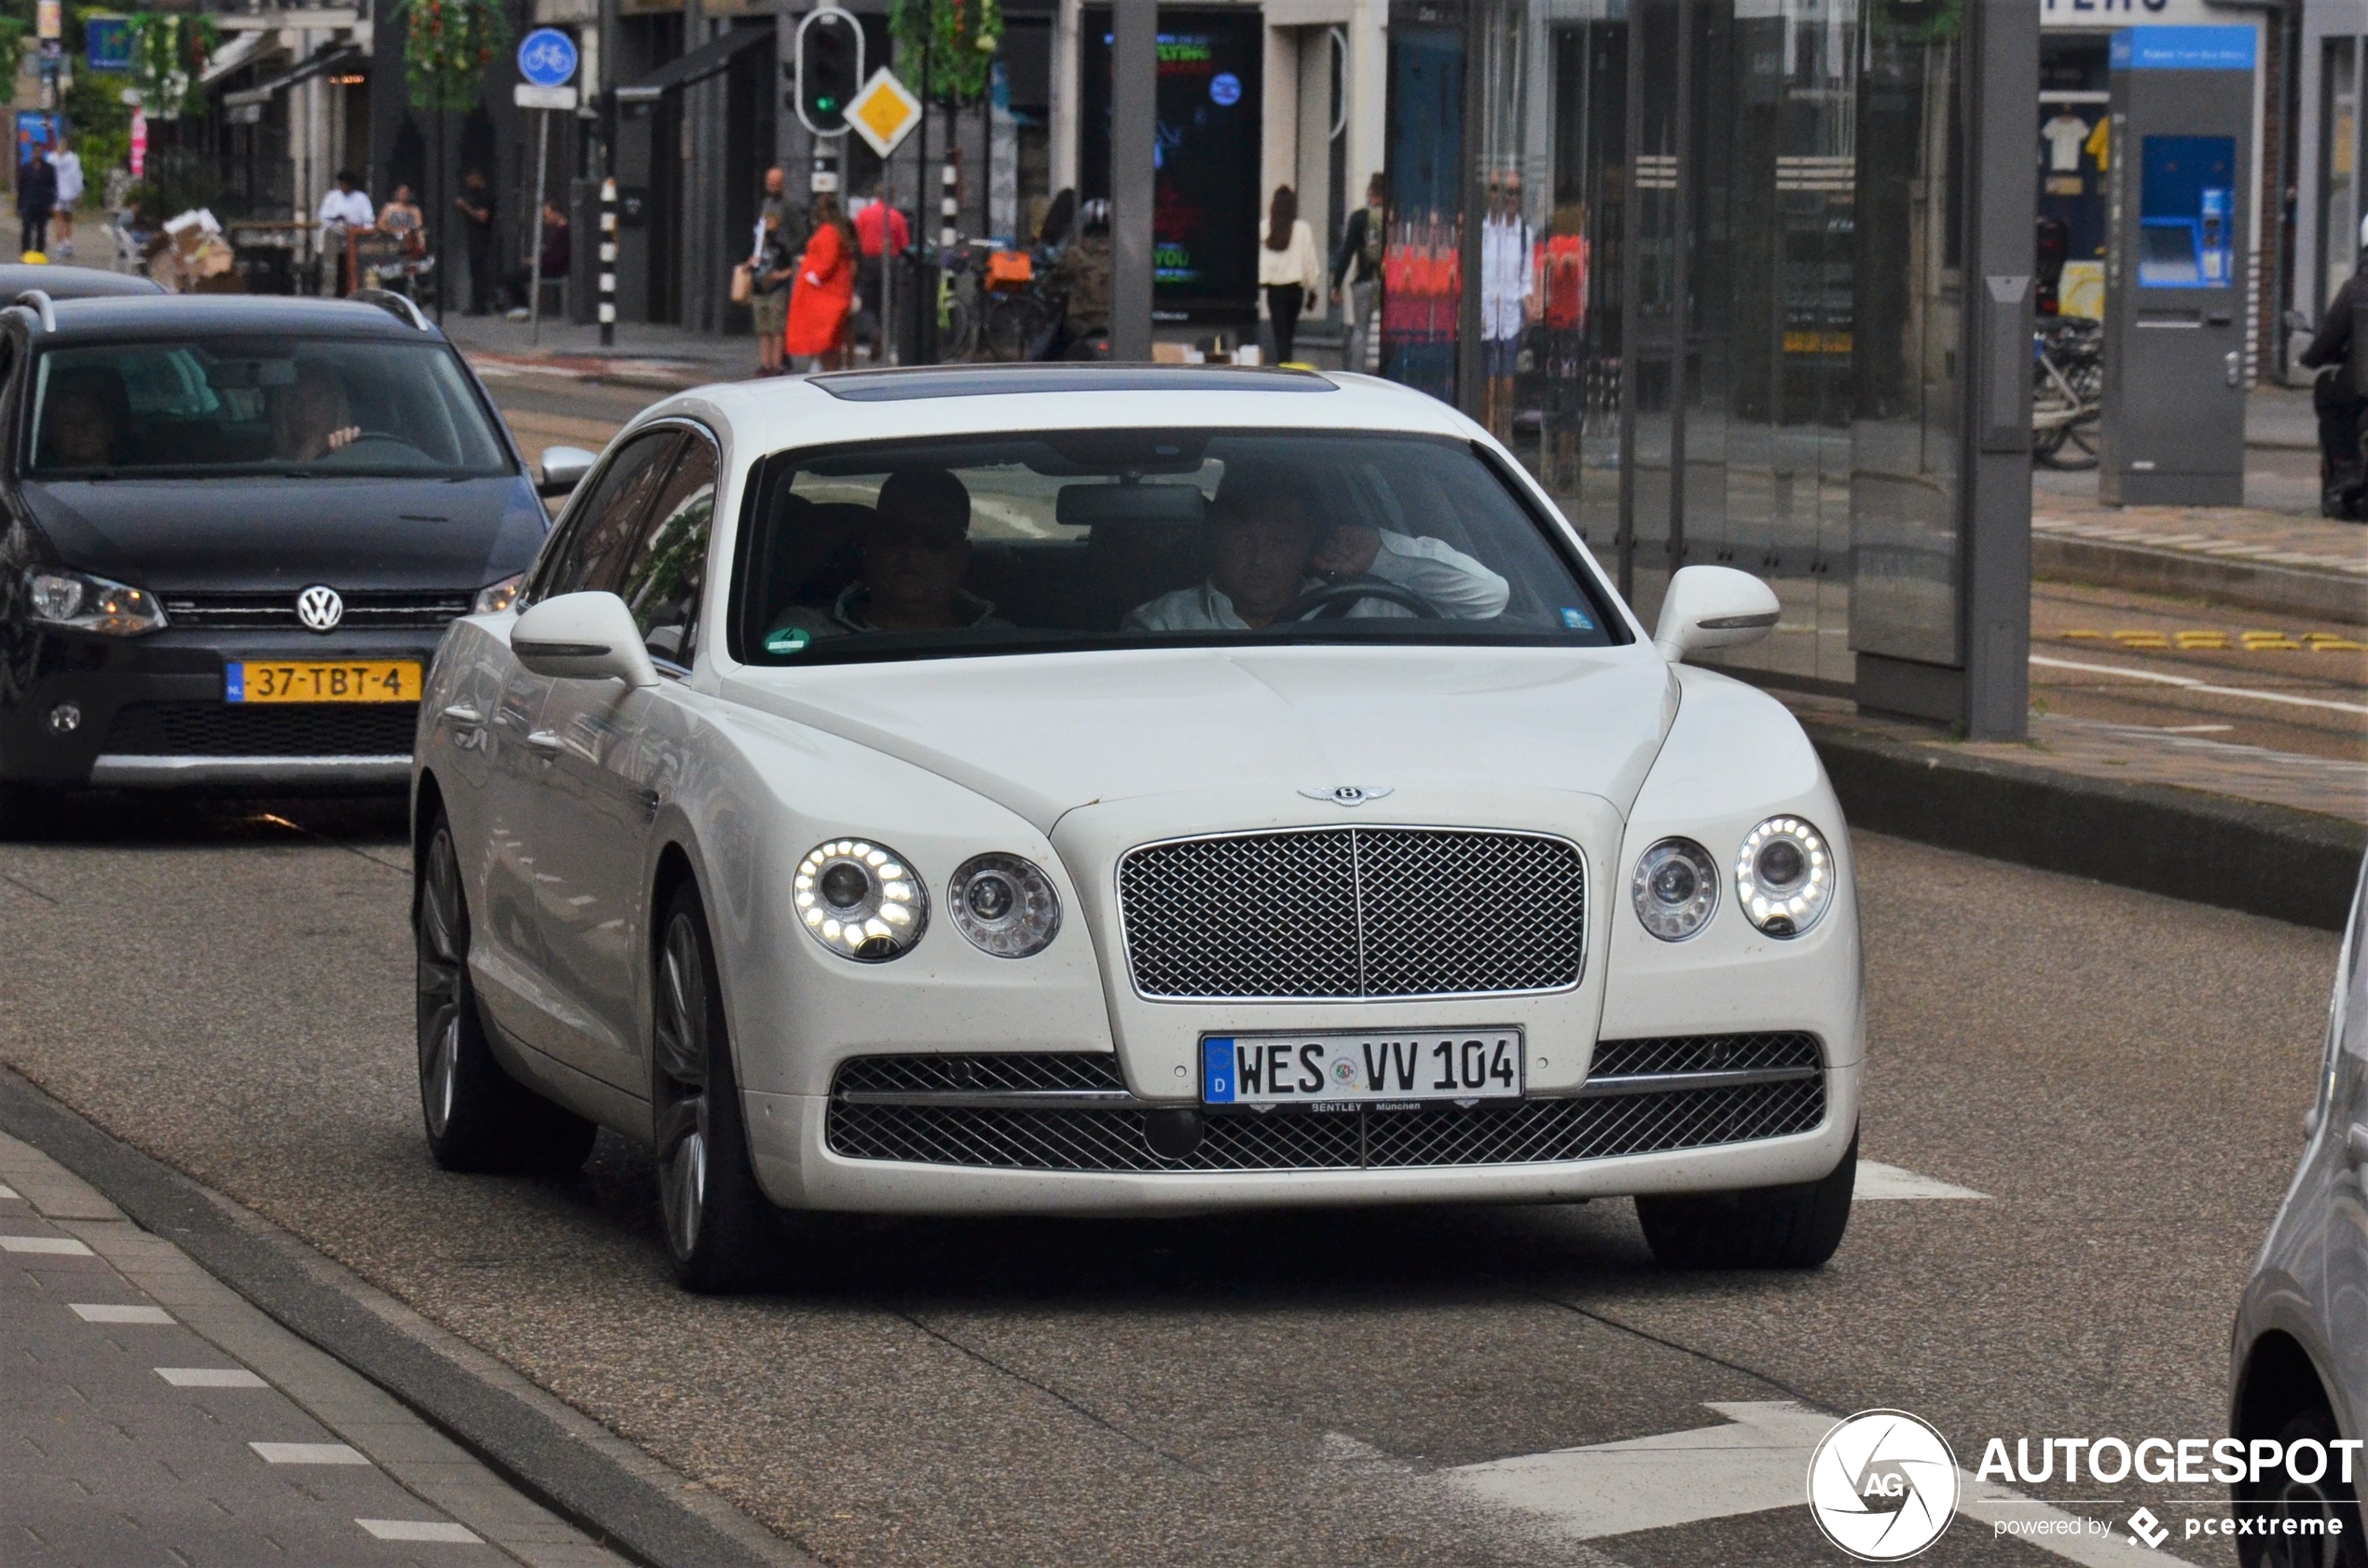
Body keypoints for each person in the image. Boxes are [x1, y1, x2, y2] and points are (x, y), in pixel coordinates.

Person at [1122, 465, 1509, 632]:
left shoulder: (1366, 607)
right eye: (1243, 540)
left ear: (1308, 545)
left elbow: (1488, 599)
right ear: (1214, 540)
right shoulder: (1164, 623)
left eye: (1280, 542)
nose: (1260, 560)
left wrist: (1381, 553)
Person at [767, 468, 1008, 638]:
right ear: (870, 544)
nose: (912, 552)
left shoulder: (1006, 642)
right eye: (896, 535)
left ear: (961, 558)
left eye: (935, 540)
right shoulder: (802, 632)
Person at [2303, 227, 2368, 522]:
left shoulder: (2356, 289)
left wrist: (2310, 358)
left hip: (2360, 387)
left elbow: (2328, 338)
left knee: (2326, 388)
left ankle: (2346, 464)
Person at [1480, 172, 1536, 438]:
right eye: (1505, 192)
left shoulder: (1525, 235)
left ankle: (1504, 434)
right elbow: (1480, 274)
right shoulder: (1488, 231)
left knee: (1508, 382)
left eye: (1515, 193)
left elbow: (1525, 279)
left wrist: (1530, 304)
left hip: (1511, 316)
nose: (1510, 197)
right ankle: (1488, 433)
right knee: (1489, 382)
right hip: (1488, 315)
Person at [784, 192, 856, 371]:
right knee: (831, 338)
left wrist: (812, 276)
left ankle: (825, 369)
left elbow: (827, 260)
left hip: (825, 294)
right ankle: (829, 369)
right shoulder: (837, 230)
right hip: (832, 292)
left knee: (824, 337)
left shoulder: (828, 232)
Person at [1258, 186, 1322, 366]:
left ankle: (1283, 364)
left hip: (1274, 290)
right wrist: (1313, 289)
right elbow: (1310, 261)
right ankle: (1287, 364)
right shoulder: (1302, 229)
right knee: (1290, 332)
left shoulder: (1264, 228)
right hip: (1295, 289)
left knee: (1280, 333)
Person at [1330, 173, 1384, 376]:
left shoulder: (1359, 218)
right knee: (1388, 331)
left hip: (1364, 281)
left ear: (1370, 192)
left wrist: (1336, 284)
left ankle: (1358, 375)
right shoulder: (1392, 216)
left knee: (1361, 330)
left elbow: (1347, 253)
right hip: (1388, 282)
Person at [851, 184, 909, 361]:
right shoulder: (897, 217)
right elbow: (904, 245)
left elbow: (856, 239)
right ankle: (888, 340)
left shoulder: (864, 214)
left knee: (866, 304)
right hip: (891, 262)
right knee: (891, 303)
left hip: (869, 262)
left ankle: (874, 332)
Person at [1053, 199, 1111, 359]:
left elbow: (1055, 279)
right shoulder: (1122, 255)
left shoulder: (1074, 254)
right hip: (1115, 323)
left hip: (1079, 324)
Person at [271, 363, 363, 462]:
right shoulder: (268, 468)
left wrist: (344, 455)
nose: (305, 410)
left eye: (316, 399)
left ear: (335, 405)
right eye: (296, 401)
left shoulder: (357, 459)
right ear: (286, 409)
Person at [748, 208, 797, 377]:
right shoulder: (755, 248)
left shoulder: (780, 248)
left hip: (776, 290)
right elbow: (744, 266)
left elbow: (790, 268)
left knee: (776, 328)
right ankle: (766, 363)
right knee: (763, 329)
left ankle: (776, 364)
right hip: (759, 291)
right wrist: (750, 263)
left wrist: (780, 275)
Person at [500, 202, 571, 317]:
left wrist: (537, 262)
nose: (546, 218)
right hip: (551, 266)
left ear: (556, 213)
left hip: (553, 269)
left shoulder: (564, 232)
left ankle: (523, 308)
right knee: (516, 275)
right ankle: (523, 307)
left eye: (548, 214)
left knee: (512, 278)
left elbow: (557, 257)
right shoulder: (561, 231)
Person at [316, 171, 374, 296]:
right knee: (334, 267)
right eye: (341, 184)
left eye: (346, 184)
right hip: (335, 235)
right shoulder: (332, 196)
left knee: (350, 267)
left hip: (354, 237)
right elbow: (323, 216)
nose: (344, 187)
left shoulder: (361, 198)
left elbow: (368, 220)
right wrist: (336, 218)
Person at [454, 171, 496, 315]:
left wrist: (465, 207)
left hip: (482, 237)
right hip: (474, 237)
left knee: (480, 271)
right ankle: (477, 303)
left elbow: (482, 217)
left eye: (471, 181)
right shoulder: (477, 195)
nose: (469, 185)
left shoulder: (485, 195)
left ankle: (481, 305)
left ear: (477, 179)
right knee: (475, 271)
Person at [16, 146, 57, 260]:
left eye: (40, 152)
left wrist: (51, 203)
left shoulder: (48, 169)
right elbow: (21, 188)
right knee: (27, 229)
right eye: (36, 152)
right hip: (28, 203)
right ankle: (25, 251)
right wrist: (19, 205)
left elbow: (53, 186)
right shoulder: (26, 168)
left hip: (43, 204)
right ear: (32, 153)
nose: (38, 154)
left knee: (41, 230)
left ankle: (40, 251)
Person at [46, 139, 81, 259]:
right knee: (64, 220)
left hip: (60, 193)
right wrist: (78, 191)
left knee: (62, 220)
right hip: (67, 193)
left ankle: (63, 246)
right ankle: (65, 245)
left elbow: (48, 176)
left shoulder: (52, 159)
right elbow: (77, 176)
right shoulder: (72, 159)